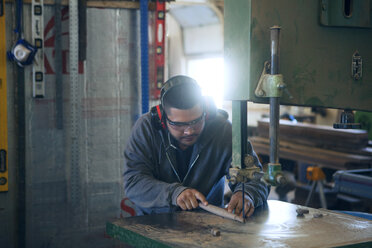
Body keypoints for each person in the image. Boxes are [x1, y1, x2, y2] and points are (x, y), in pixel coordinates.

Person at [123, 75, 269, 217]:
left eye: (196, 121)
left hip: (208, 222)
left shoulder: (223, 131)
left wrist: (246, 194)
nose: (189, 131)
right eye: (178, 125)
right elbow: (133, 182)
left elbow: (256, 178)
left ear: (206, 113)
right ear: (162, 119)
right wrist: (173, 193)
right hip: (155, 221)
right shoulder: (146, 129)